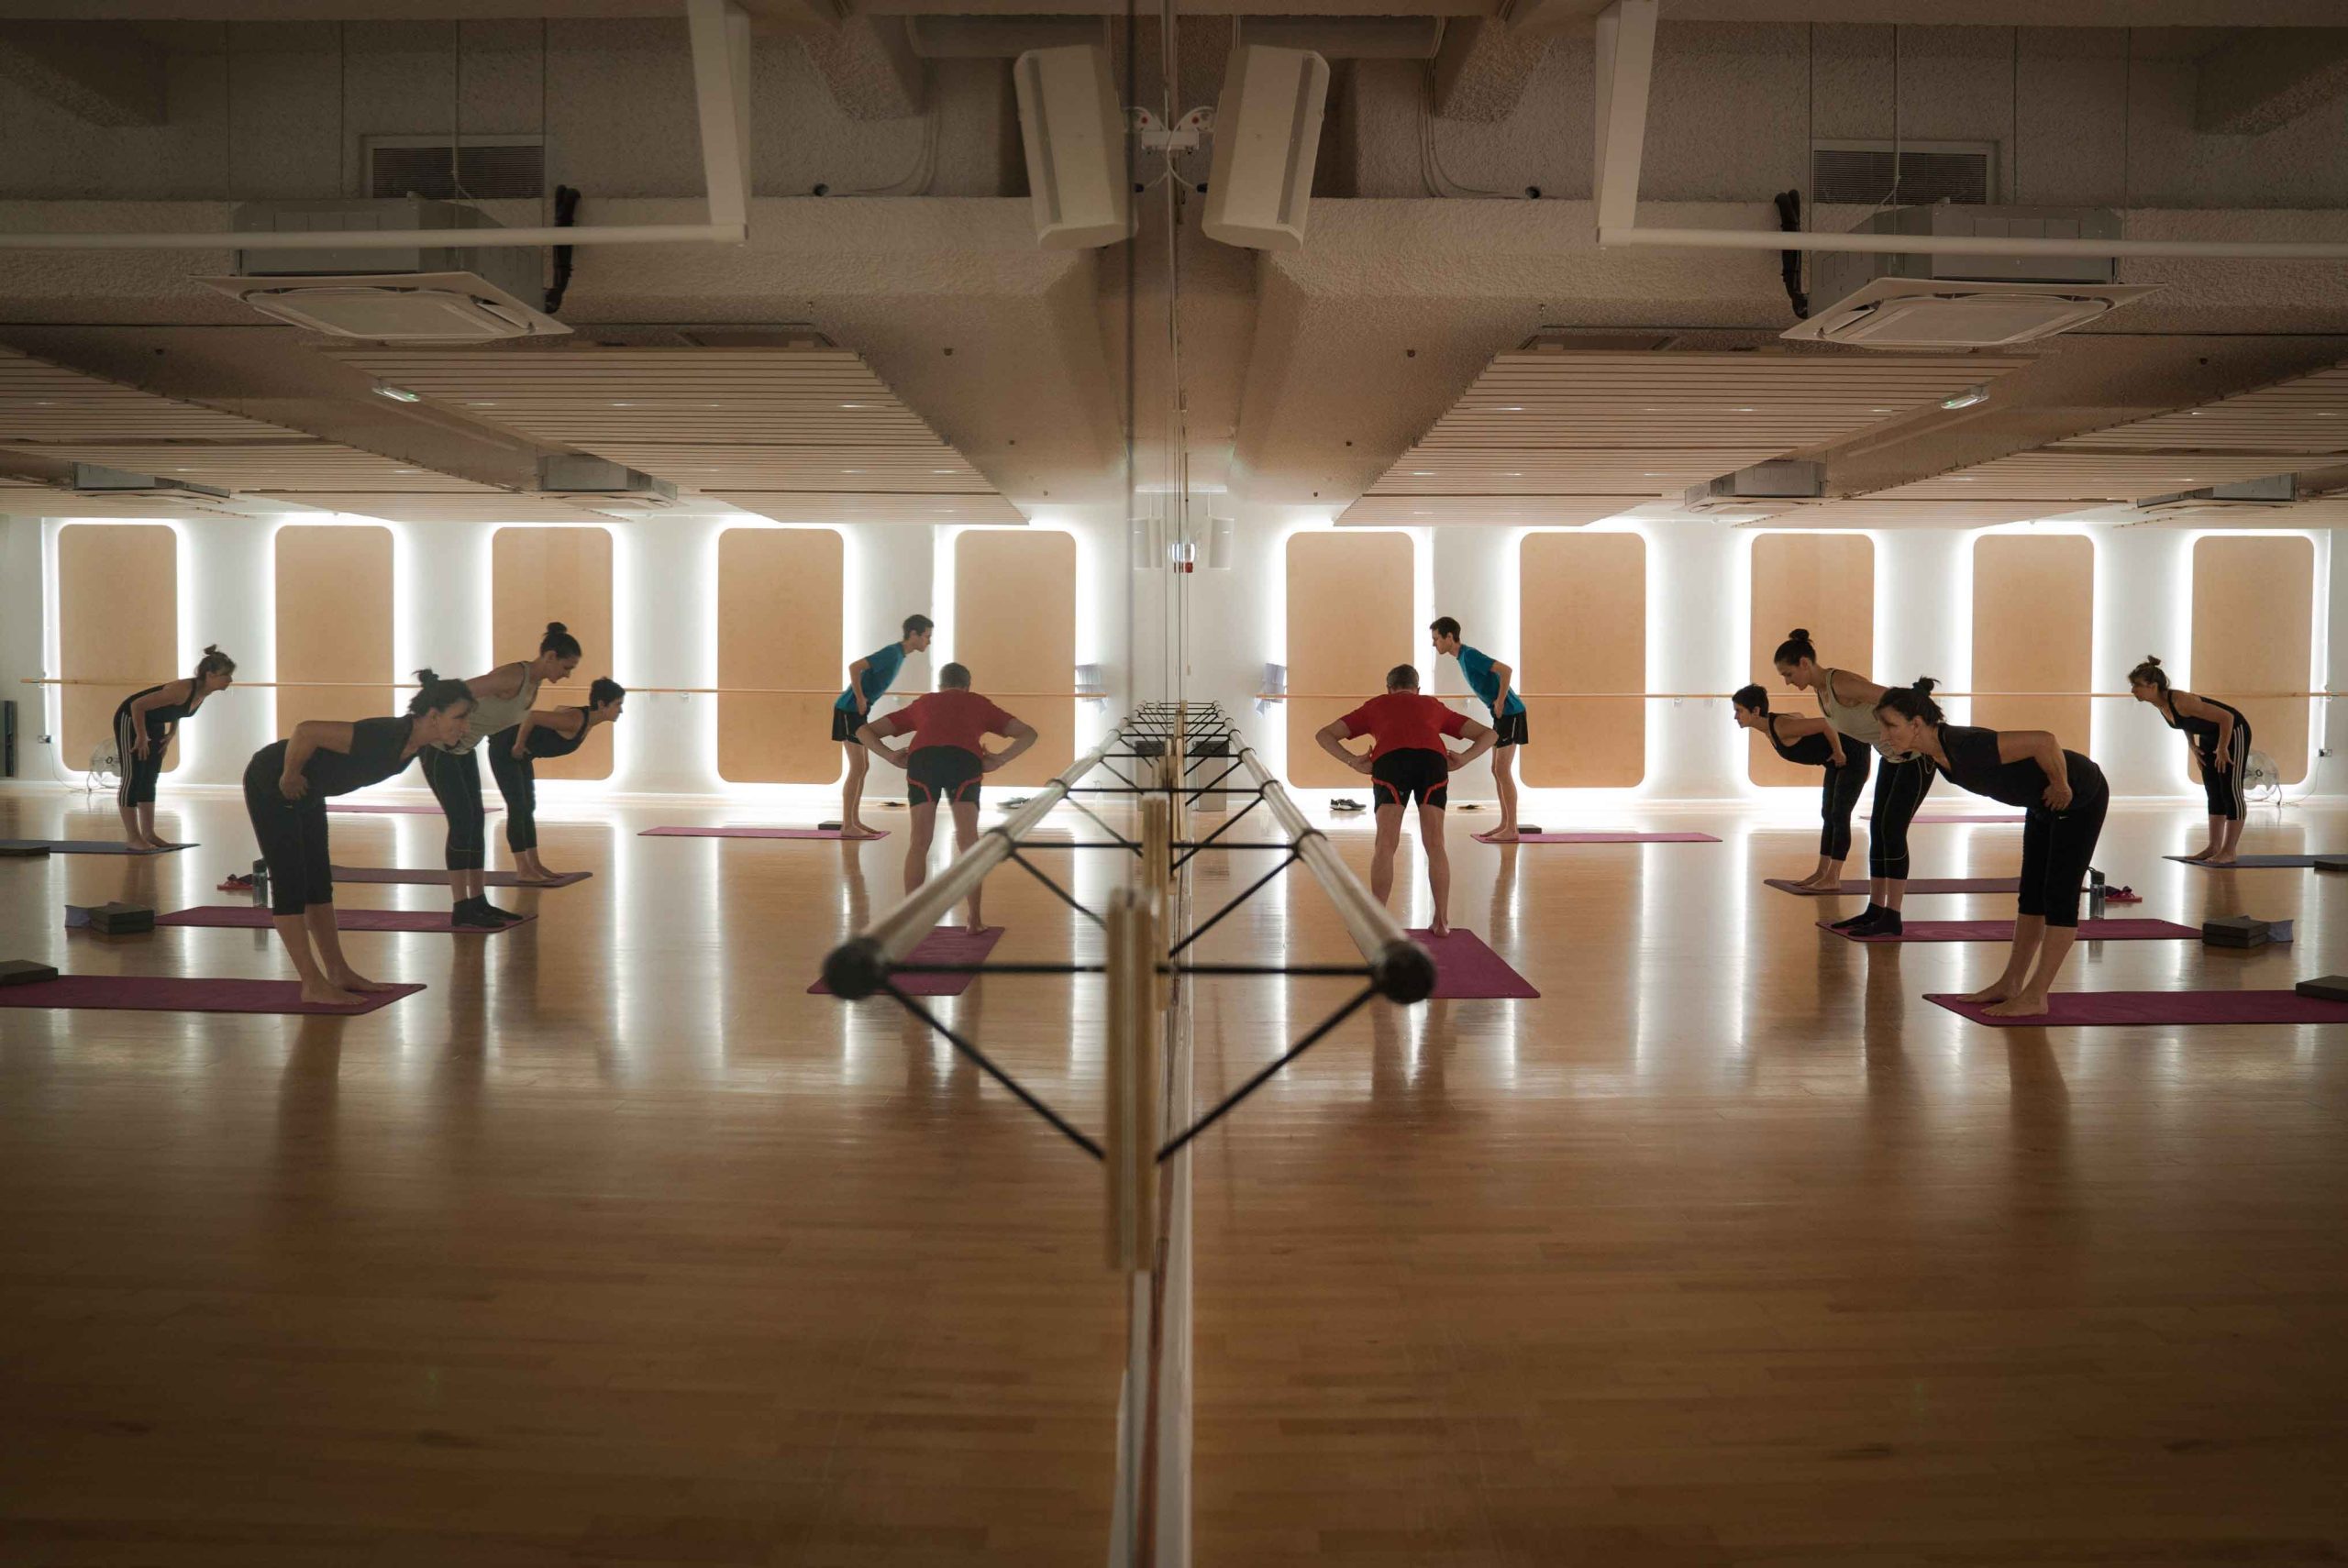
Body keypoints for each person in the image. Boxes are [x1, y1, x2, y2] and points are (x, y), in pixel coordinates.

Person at [1873, 679, 2110, 1020]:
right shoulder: (1936, 755)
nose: (1884, 736)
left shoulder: (1965, 745)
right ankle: (2011, 983)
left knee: (2059, 896)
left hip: (2079, 795)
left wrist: (2061, 784)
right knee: (2030, 895)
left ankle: (2036, 995)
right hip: (2043, 802)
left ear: (1916, 724)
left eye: (1890, 726)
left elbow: (2044, 741)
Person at [244, 671, 476, 1007]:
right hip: (272, 781)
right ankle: (312, 984)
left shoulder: (415, 747)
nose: (465, 727)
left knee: (319, 886)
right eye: (460, 718)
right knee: (291, 885)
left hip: (309, 790)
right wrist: (290, 774)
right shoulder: (385, 734)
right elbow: (306, 731)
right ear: (433, 716)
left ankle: (338, 972)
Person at [1315, 664, 1496, 938]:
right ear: (1417, 689)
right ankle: (1442, 921)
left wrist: (1352, 761)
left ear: (1388, 688)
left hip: (1391, 761)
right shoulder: (1433, 705)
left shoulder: (1376, 705)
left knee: (1385, 844)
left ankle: (1377, 919)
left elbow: (1324, 734)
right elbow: (1489, 734)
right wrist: (1465, 758)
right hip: (1432, 762)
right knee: (1435, 843)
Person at [1774, 629, 1934, 937]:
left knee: (1893, 830)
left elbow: (1896, 699)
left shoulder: (1841, 683)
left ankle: (1893, 915)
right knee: (1878, 829)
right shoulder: (1821, 693)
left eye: (1789, 673)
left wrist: (1920, 736)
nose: (1787, 681)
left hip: (1918, 757)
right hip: (1891, 758)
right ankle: (1876, 909)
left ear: (1805, 663)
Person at [858, 662, 1036, 933]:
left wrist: (890, 755)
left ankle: (910, 922)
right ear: (967, 685)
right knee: (969, 842)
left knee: (919, 842)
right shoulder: (979, 703)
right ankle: (974, 921)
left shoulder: (924, 703)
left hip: (923, 761)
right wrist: (1000, 759)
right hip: (964, 761)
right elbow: (1028, 733)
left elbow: (863, 731)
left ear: (940, 686)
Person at [425, 622, 581, 930]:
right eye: (566, 666)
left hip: (464, 750)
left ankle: (477, 901)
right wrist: (435, 726)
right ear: (549, 656)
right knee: (461, 823)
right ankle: (461, 905)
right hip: (438, 749)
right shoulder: (513, 677)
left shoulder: (532, 687)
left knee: (476, 821)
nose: (567, 674)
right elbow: (457, 691)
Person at [1733, 683, 1869, 891]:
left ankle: (1833, 877)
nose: (1736, 717)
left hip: (1853, 754)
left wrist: (1838, 752)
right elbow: (1798, 714)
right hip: (1836, 760)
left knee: (1840, 815)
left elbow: (1826, 724)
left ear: (1756, 711)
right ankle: (1821, 872)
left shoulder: (1781, 727)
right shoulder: (1775, 725)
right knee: (1828, 814)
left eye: (1739, 711)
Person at [490, 678, 626, 885]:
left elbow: (558, 710)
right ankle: (523, 869)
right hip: (505, 748)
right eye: (617, 704)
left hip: (522, 754)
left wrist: (528, 745)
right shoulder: (575, 720)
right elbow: (532, 716)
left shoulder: (583, 719)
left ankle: (534, 864)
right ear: (601, 704)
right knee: (518, 807)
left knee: (529, 806)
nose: (621, 710)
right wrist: (519, 745)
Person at [2128, 655, 2252, 866]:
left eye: (2137, 685)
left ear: (2153, 686)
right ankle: (2214, 847)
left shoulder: (2182, 701)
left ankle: (2229, 851)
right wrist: (2192, 746)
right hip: (2209, 737)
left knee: (2230, 790)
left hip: (2233, 732)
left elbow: (2227, 718)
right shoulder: (2160, 704)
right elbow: (2186, 723)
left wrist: (2222, 748)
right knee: (2213, 790)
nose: (2133, 691)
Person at [112, 645, 237, 850]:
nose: (230, 681)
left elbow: (177, 711)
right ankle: (133, 837)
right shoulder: (182, 689)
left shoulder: (202, 692)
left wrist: (171, 734)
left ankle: (149, 834)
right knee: (133, 777)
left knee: (150, 777)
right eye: (226, 676)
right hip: (132, 719)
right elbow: (137, 706)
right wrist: (141, 737)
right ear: (210, 675)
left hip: (154, 723)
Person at [835, 613, 936, 840]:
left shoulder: (900, 655)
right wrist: (860, 698)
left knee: (863, 768)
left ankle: (854, 820)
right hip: (849, 710)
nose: (928, 642)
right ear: (914, 634)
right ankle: (847, 825)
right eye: (926, 637)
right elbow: (855, 667)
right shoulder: (892, 653)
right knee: (857, 768)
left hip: (856, 711)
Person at [1429, 617, 1528, 843]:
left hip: (1511, 713)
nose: (1434, 644)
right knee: (1495, 770)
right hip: (1502, 716)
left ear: (1449, 637)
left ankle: (1512, 828)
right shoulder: (1462, 658)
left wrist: (1501, 700)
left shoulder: (1470, 655)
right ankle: (1505, 823)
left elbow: (1506, 670)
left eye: (1436, 639)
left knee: (1503, 770)